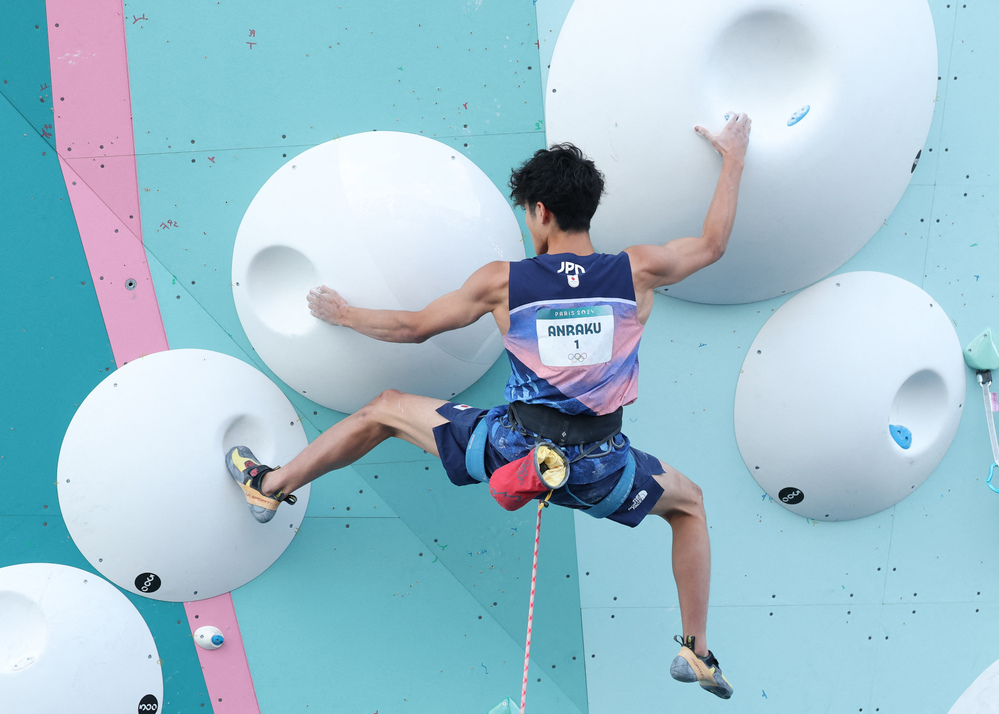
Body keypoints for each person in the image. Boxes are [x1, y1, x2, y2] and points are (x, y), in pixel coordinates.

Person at [226, 112, 751, 699]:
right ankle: (696, 652)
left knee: (385, 409)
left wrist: (342, 314)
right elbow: (714, 243)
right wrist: (732, 156)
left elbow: (414, 328)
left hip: (509, 450)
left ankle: (268, 486)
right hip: (604, 467)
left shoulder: (504, 282)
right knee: (690, 507)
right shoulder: (638, 271)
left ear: (540, 212)